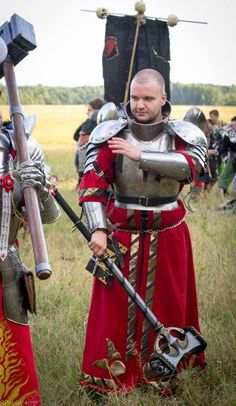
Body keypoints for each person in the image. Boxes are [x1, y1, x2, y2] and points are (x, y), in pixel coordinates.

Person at [79, 69, 208, 395]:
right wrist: (97, 228)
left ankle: (160, 374)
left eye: (148, 98)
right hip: (120, 235)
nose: (139, 104)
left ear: (163, 98)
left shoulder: (183, 135)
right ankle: (111, 377)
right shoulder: (111, 134)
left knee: (167, 303)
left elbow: (190, 167)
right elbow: (92, 185)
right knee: (113, 307)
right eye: (135, 97)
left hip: (168, 235)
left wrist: (140, 155)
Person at [0, 115, 61, 404]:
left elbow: (49, 216)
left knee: (10, 361)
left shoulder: (21, 147)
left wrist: (36, 186)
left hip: (3, 264)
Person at [73, 98, 105, 185]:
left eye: (89, 110)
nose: (87, 112)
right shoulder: (89, 122)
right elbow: (76, 136)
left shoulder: (101, 123)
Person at [217, 116, 236, 204]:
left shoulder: (228, 133)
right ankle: (223, 198)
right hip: (232, 159)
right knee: (225, 178)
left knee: (225, 178)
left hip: (232, 158)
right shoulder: (228, 134)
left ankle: (223, 200)